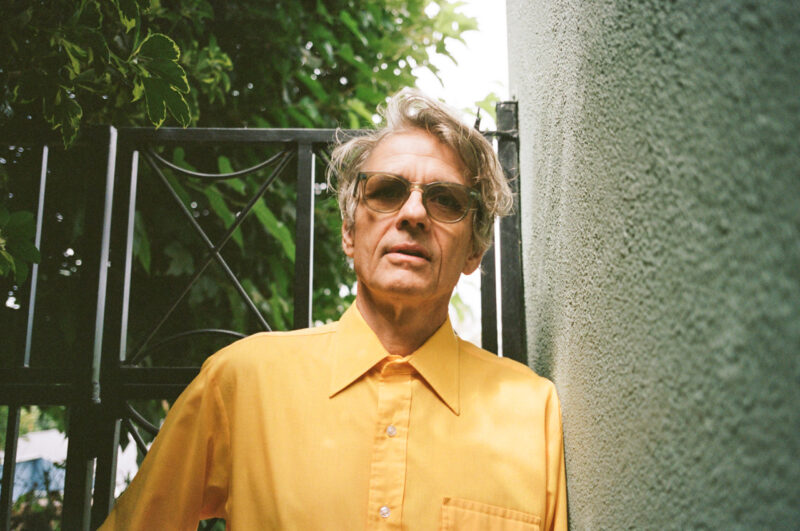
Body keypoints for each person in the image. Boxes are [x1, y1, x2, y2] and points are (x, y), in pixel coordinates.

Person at [100, 89, 567, 530]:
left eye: (446, 200)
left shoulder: (531, 411)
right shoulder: (242, 382)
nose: (414, 214)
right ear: (349, 231)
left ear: (474, 252)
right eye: (386, 191)